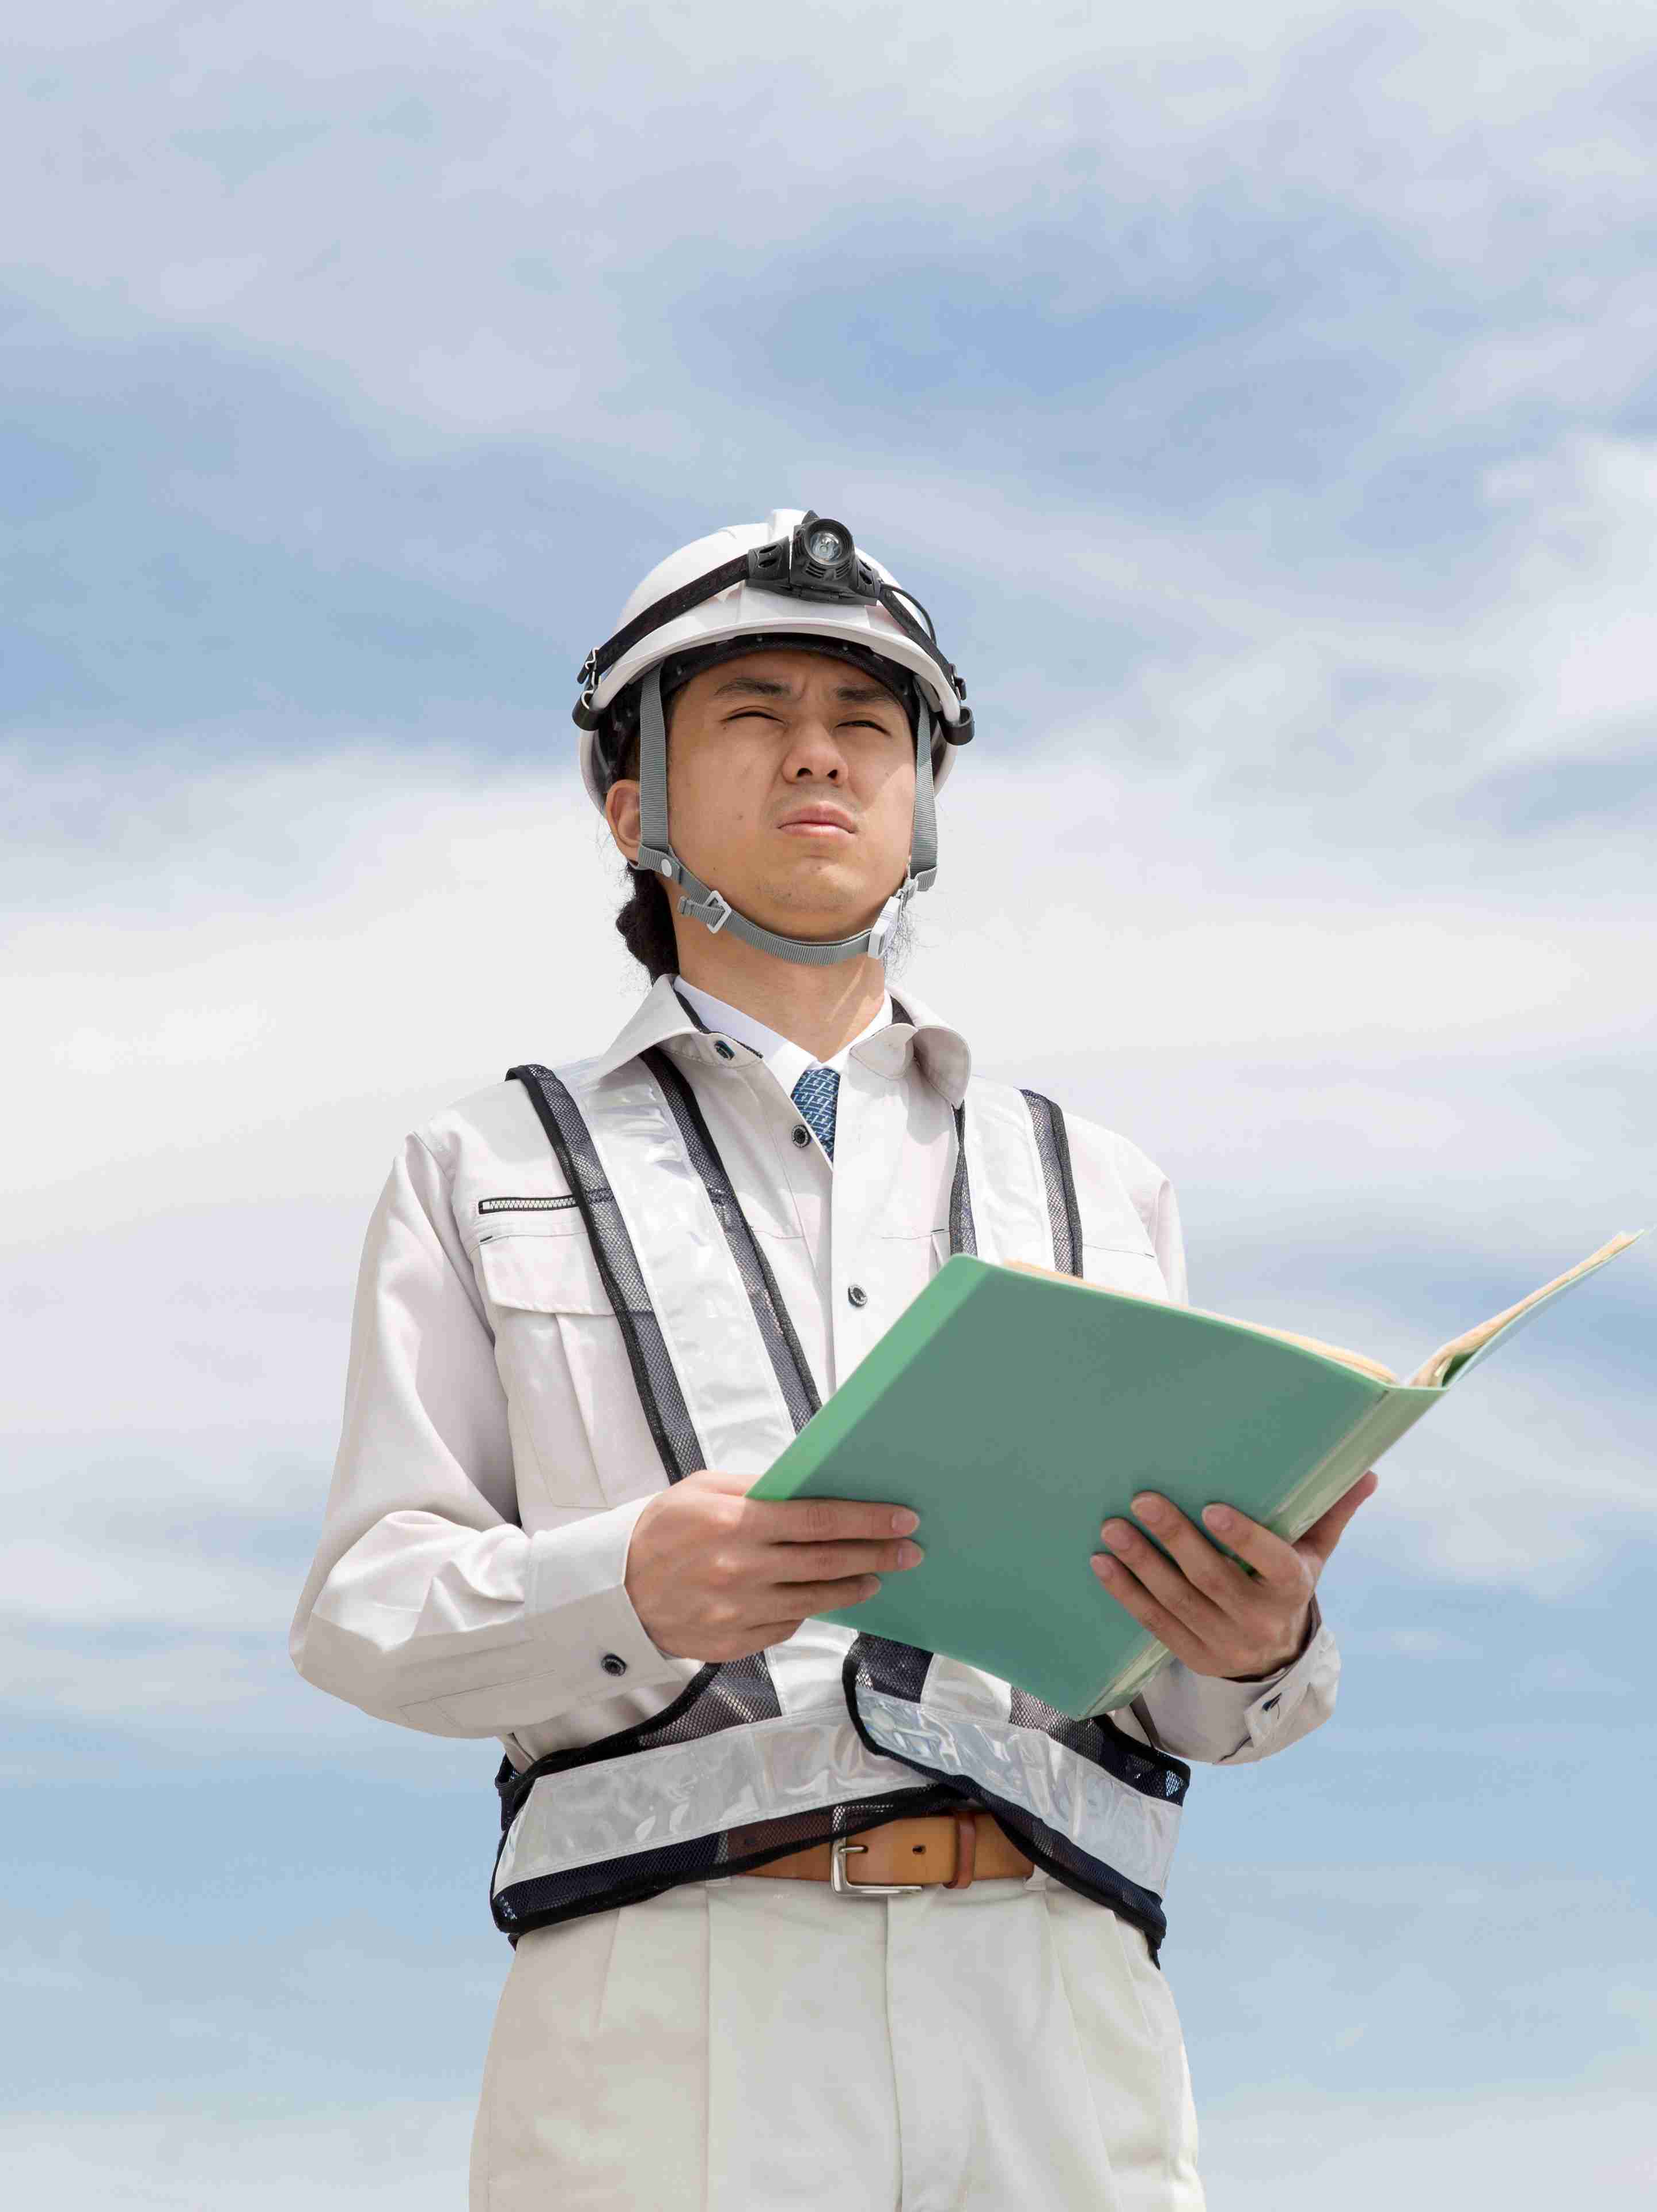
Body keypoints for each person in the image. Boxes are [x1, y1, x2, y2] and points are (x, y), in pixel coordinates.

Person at [290, 510, 1375, 2210]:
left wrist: (1256, 1645)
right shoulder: (487, 1164)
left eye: (871, 726)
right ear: (630, 800)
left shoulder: (1097, 1180)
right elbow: (367, 1613)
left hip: (1056, 2012)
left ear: (923, 799)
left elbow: (1195, 1703)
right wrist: (632, 1586)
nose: (821, 754)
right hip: (671, 2012)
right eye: (751, 711)